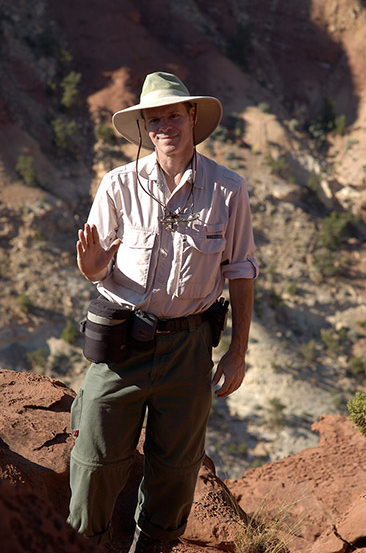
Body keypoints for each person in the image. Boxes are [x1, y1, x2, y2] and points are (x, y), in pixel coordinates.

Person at [68, 71, 258, 552]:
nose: (164, 125)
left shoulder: (228, 189)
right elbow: (94, 266)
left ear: (192, 115)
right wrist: (91, 267)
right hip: (122, 346)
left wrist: (237, 352)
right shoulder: (118, 185)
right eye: (154, 119)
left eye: (173, 114)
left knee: (175, 473)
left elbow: (241, 271)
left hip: (189, 349)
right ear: (145, 128)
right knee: (93, 463)